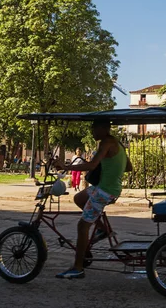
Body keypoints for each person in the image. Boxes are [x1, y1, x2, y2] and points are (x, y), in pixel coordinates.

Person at [54, 119, 132, 279]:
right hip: (106, 187)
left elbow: (91, 166)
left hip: (105, 191)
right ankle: (103, 229)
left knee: (82, 226)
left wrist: (66, 166)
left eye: (94, 129)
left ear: (103, 128)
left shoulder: (106, 143)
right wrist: (110, 165)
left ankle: (77, 267)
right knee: (79, 198)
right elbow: (129, 167)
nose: (92, 132)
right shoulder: (116, 143)